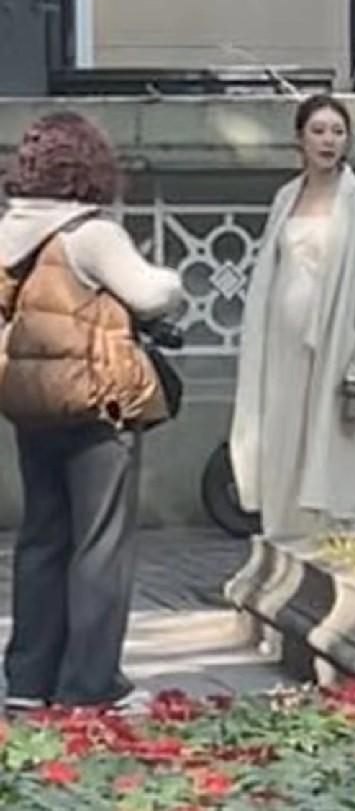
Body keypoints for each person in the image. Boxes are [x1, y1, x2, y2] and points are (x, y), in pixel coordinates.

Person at [0, 112, 183, 713]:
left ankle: (28, 680)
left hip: (32, 405)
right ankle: (90, 683)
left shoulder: (10, 231)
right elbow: (152, 293)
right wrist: (170, 280)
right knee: (99, 545)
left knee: (41, 540)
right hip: (98, 406)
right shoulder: (92, 234)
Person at [230, 94, 355, 544]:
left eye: (338, 132)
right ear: (299, 139)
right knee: (282, 435)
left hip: (334, 341)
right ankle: (282, 534)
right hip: (281, 343)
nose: (328, 141)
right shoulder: (286, 196)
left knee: (329, 439)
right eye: (318, 131)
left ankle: (333, 540)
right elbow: (270, 270)